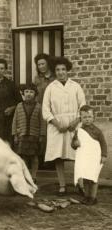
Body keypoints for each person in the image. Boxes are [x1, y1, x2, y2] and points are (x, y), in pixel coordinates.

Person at [42, 56, 86, 195]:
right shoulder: (51, 87)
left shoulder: (75, 86)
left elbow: (83, 106)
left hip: (74, 125)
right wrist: (56, 123)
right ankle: (62, 185)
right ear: (55, 72)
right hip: (57, 127)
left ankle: (80, 184)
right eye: (58, 70)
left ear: (67, 71)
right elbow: (45, 109)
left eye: (63, 69)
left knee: (77, 154)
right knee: (59, 156)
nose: (61, 72)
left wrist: (76, 121)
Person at [71, 105, 107, 205]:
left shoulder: (97, 131)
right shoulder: (78, 131)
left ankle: (93, 197)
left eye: (89, 117)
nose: (87, 119)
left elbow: (103, 143)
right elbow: (73, 144)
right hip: (84, 158)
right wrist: (75, 143)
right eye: (85, 117)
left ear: (93, 117)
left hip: (94, 157)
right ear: (81, 118)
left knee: (93, 177)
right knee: (86, 178)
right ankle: (87, 196)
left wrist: (104, 155)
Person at [12, 84, 46, 183]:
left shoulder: (39, 107)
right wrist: (15, 134)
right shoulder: (19, 106)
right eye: (26, 92)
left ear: (35, 94)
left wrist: (42, 135)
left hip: (34, 135)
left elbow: (43, 122)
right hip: (22, 135)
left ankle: (34, 176)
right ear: (23, 94)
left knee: (34, 157)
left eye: (31, 92)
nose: (29, 94)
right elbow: (15, 121)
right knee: (24, 157)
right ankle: (25, 176)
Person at [33, 53, 55, 169]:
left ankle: (52, 162)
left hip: (52, 110)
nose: (41, 66)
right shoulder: (37, 78)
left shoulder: (54, 78)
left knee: (52, 135)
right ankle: (42, 162)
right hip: (40, 109)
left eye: (43, 64)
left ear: (48, 64)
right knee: (42, 135)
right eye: (39, 64)